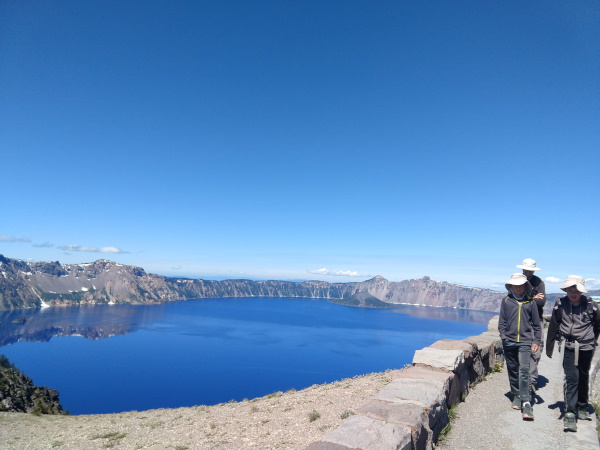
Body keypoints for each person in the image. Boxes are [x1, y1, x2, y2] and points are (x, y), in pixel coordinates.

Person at [546, 275, 600, 432]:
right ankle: (570, 412)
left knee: (583, 376)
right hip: (569, 346)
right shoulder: (560, 304)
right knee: (572, 378)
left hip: (586, 346)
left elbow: (598, 324)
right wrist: (549, 347)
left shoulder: (591, 305)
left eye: (575, 290)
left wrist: (592, 340)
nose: (572, 293)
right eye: (570, 290)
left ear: (581, 291)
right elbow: (554, 324)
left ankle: (582, 406)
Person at [498, 273, 542, 421]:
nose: (517, 288)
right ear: (511, 286)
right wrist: (503, 337)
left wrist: (536, 341)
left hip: (525, 341)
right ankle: (516, 394)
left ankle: (526, 402)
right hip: (509, 340)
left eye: (520, 285)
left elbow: (537, 324)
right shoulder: (506, 301)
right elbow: (502, 321)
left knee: (524, 370)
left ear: (525, 286)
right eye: (514, 285)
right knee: (512, 368)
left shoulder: (531, 303)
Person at [516, 258, 546, 392]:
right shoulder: (517, 280)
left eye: (529, 270)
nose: (527, 271)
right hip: (520, 320)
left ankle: (531, 381)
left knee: (535, 351)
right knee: (520, 351)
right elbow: (513, 298)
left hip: (535, 320)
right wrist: (533, 298)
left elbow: (541, 303)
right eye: (525, 269)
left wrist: (526, 298)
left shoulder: (539, 283)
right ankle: (521, 380)